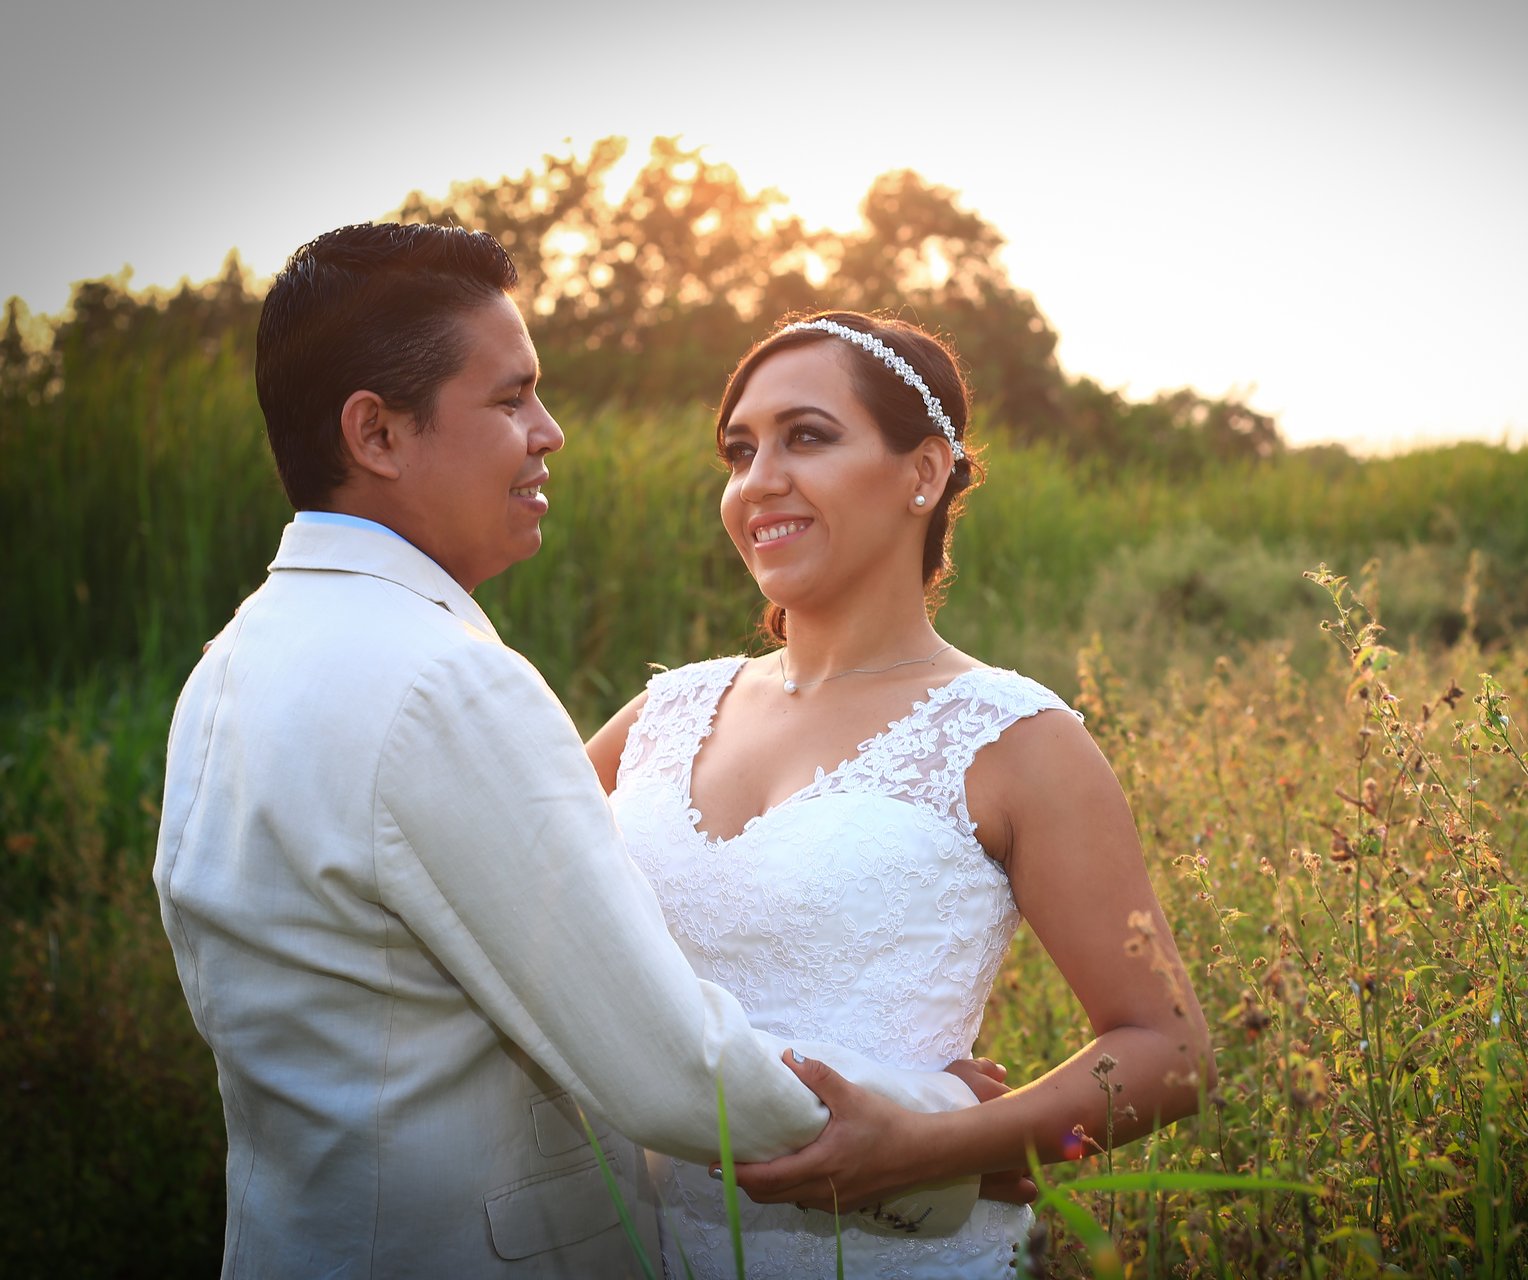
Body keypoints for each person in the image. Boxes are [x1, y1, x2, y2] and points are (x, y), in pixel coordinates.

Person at [152, 226, 1022, 1279]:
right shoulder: (447, 681)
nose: (549, 431)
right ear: (377, 434)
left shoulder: (229, 662)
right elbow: (668, 1067)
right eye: (510, 397)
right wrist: (943, 1131)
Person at [585, 311, 1213, 1277]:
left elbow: (1168, 1054)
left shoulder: (1015, 739)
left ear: (924, 473)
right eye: (740, 450)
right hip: (636, 1248)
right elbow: (508, 930)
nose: (759, 481)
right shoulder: (661, 714)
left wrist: (946, 1142)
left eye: (808, 436)